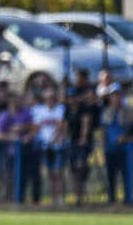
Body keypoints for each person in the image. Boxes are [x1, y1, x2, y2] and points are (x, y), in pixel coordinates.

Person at [65, 71, 98, 205]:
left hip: (82, 141)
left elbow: (86, 122)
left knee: (81, 166)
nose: (71, 99)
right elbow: (64, 124)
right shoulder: (68, 110)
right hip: (72, 141)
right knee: (74, 169)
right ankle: (77, 196)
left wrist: (83, 137)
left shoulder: (83, 108)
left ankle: (82, 196)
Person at [31, 87, 67, 205]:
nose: (50, 100)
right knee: (50, 174)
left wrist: (54, 140)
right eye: (48, 98)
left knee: (58, 172)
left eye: (52, 98)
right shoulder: (41, 111)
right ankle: (53, 199)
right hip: (45, 146)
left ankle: (61, 198)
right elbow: (36, 127)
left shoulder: (60, 109)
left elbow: (60, 126)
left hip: (57, 146)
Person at [100, 84, 132, 204]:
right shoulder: (106, 111)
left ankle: (128, 200)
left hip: (125, 148)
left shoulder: (129, 111)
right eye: (113, 95)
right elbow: (103, 130)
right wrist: (103, 146)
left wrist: (126, 138)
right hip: (110, 148)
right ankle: (111, 200)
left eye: (118, 95)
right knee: (110, 176)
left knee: (127, 176)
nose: (116, 97)